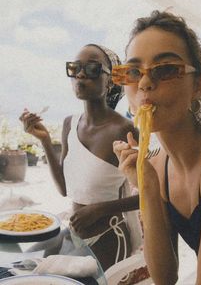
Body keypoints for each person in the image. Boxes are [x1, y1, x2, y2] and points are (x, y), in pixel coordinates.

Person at [113, 10, 201, 284]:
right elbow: (165, 277)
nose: (144, 82)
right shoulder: (156, 166)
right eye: (133, 71)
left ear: (198, 85)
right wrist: (146, 187)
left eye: (166, 69)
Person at [19, 44, 142, 271]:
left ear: (110, 80)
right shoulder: (69, 123)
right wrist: (45, 140)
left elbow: (152, 195)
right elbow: (65, 189)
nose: (81, 74)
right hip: (73, 234)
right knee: (17, 269)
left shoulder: (123, 130)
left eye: (93, 68)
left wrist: (99, 209)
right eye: (74, 68)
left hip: (108, 237)